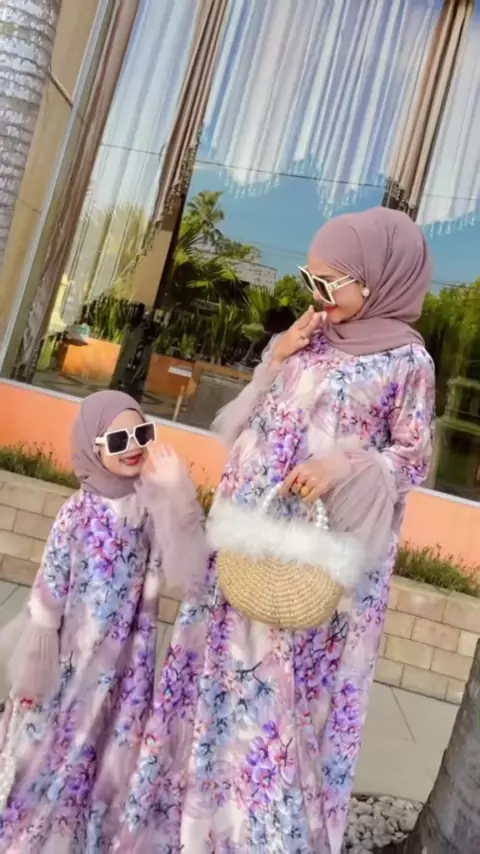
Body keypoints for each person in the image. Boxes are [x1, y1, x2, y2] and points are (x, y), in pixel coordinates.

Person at [112, 208, 436, 854]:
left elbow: (413, 459)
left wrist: (341, 465)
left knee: (280, 709)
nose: (315, 297)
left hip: (314, 564)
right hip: (246, 544)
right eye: (308, 281)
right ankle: (190, 831)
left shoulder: (407, 361)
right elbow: (248, 421)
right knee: (220, 686)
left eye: (328, 284)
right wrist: (275, 356)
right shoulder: (310, 336)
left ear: (375, 281)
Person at [0, 390, 206, 853]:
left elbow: (189, 564)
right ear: (93, 447)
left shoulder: (149, 507)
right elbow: (49, 589)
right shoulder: (78, 512)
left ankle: (78, 838)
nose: (133, 448)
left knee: (103, 750)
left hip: (123, 668)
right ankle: (31, 834)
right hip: (70, 662)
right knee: (50, 746)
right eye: (118, 440)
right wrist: (37, 668)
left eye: (141, 434)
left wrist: (177, 493)